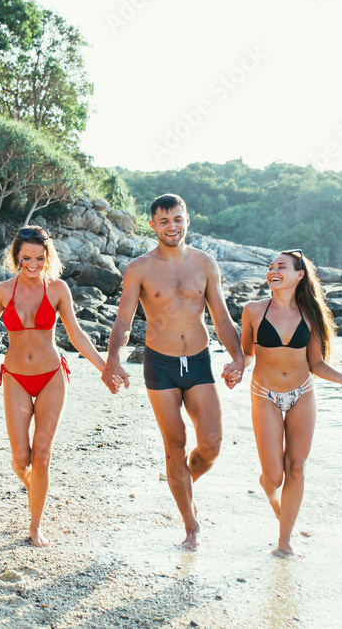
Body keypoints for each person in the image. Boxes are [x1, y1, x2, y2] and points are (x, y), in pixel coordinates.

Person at [0, 226, 111, 547]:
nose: (33, 264)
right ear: (16, 257)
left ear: (47, 256)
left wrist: (105, 368)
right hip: (15, 378)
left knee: (42, 456)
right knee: (21, 459)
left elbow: (77, 336)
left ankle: (35, 525)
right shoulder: (1, 292)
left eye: (40, 258)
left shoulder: (58, 290)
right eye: (26, 258)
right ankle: (36, 485)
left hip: (52, 376)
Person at [102, 193, 244, 551]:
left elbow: (222, 317)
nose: (172, 226)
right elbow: (124, 318)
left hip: (198, 360)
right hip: (160, 364)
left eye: (177, 219)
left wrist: (239, 358)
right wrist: (112, 359)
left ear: (187, 220)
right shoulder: (139, 268)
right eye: (164, 221)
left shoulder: (205, 263)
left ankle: (181, 483)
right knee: (175, 446)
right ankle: (191, 525)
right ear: (153, 225)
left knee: (211, 445)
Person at [240, 249, 342, 557]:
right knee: (274, 476)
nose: (273, 269)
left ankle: (284, 543)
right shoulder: (253, 310)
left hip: (302, 394)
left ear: (299, 275)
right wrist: (235, 368)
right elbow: (246, 354)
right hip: (264, 394)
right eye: (270, 266)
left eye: (281, 266)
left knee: (296, 469)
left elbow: (316, 364)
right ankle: (272, 496)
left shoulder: (311, 315)